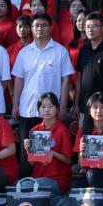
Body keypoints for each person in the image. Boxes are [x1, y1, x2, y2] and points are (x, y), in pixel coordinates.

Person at [12, 13, 74, 164]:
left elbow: (66, 80)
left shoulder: (60, 51)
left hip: (50, 112)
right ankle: (27, 178)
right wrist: (15, 105)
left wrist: (63, 106)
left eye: (44, 25)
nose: (40, 28)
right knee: (27, 153)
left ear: (51, 28)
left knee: (48, 155)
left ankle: (47, 177)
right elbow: (19, 80)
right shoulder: (24, 52)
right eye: (36, 25)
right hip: (27, 109)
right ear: (31, 28)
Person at [25, 92, 74, 206]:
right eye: (43, 107)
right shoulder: (35, 130)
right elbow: (31, 163)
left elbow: (68, 160)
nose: (47, 110)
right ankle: (56, 202)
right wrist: (28, 150)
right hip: (38, 178)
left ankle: (60, 202)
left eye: (51, 106)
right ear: (39, 109)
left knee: (28, 186)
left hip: (57, 179)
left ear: (57, 109)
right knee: (23, 186)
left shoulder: (62, 130)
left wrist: (53, 153)